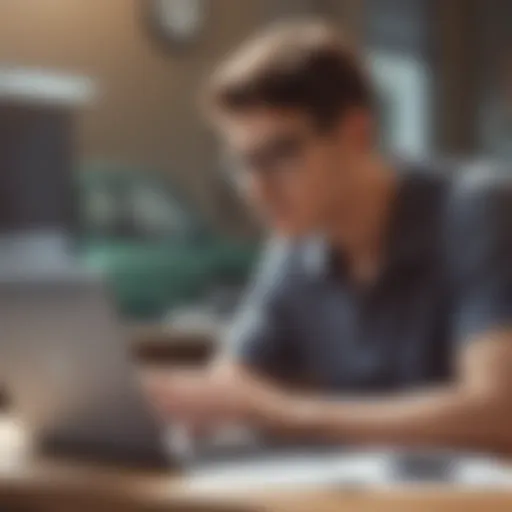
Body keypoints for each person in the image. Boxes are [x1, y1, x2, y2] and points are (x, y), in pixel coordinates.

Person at [146, 20, 512, 453]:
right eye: (242, 164)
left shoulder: (474, 209)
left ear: (355, 133)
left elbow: (498, 413)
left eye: (279, 155)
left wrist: (289, 413)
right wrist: (174, 401)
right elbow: (231, 388)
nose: (257, 189)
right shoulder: (294, 245)